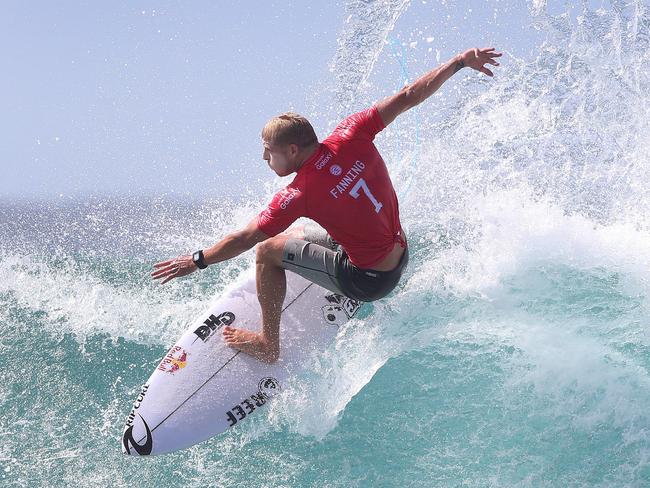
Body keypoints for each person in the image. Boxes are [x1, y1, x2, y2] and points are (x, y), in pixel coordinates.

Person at [152, 47, 502, 363]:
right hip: (400, 251)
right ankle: (336, 266)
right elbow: (410, 95)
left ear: (291, 151)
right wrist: (459, 62)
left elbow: (246, 238)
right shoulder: (353, 131)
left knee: (267, 251)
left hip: (370, 281)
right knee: (300, 232)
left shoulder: (299, 193)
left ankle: (268, 344)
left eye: (268, 151)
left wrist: (196, 261)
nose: (264, 158)